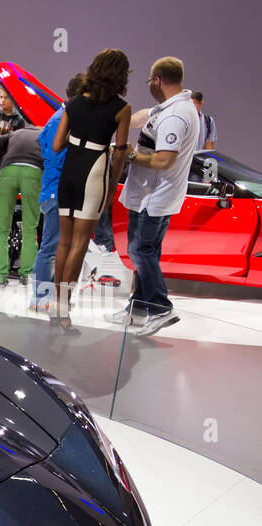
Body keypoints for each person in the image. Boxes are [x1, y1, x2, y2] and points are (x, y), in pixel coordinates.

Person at [51, 48, 132, 329]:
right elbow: (120, 154)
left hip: (70, 171)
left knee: (63, 241)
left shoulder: (73, 103)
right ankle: (63, 310)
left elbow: (56, 144)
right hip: (95, 172)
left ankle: (55, 304)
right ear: (120, 76)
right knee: (79, 244)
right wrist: (112, 188)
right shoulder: (121, 109)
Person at [119, 57, 199, 337]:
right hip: (150, 195)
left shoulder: (176, 116)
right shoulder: (171, 108)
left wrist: (129, 154)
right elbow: (145, 116)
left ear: (157, 81)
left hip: (154, 196)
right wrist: (122, 118)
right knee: (145, 252)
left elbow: (164, 160)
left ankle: (160, 307)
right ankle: (138, 307)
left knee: (141, 251)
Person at [31, 73, 86, 312]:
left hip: (59, 192)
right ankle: (39, 299)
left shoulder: (64, 118)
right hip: (55, 193)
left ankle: (52, 298)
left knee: (58, 246)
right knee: (51, 247)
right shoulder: (59, 121)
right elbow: (57, 157)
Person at [0, 124, 43, 286]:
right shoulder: (43, 135)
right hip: (33, 173)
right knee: (30, 228)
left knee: (2, 227)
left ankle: (0, 276)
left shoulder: (15, 133)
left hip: (8, 172)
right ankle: (25, 275)